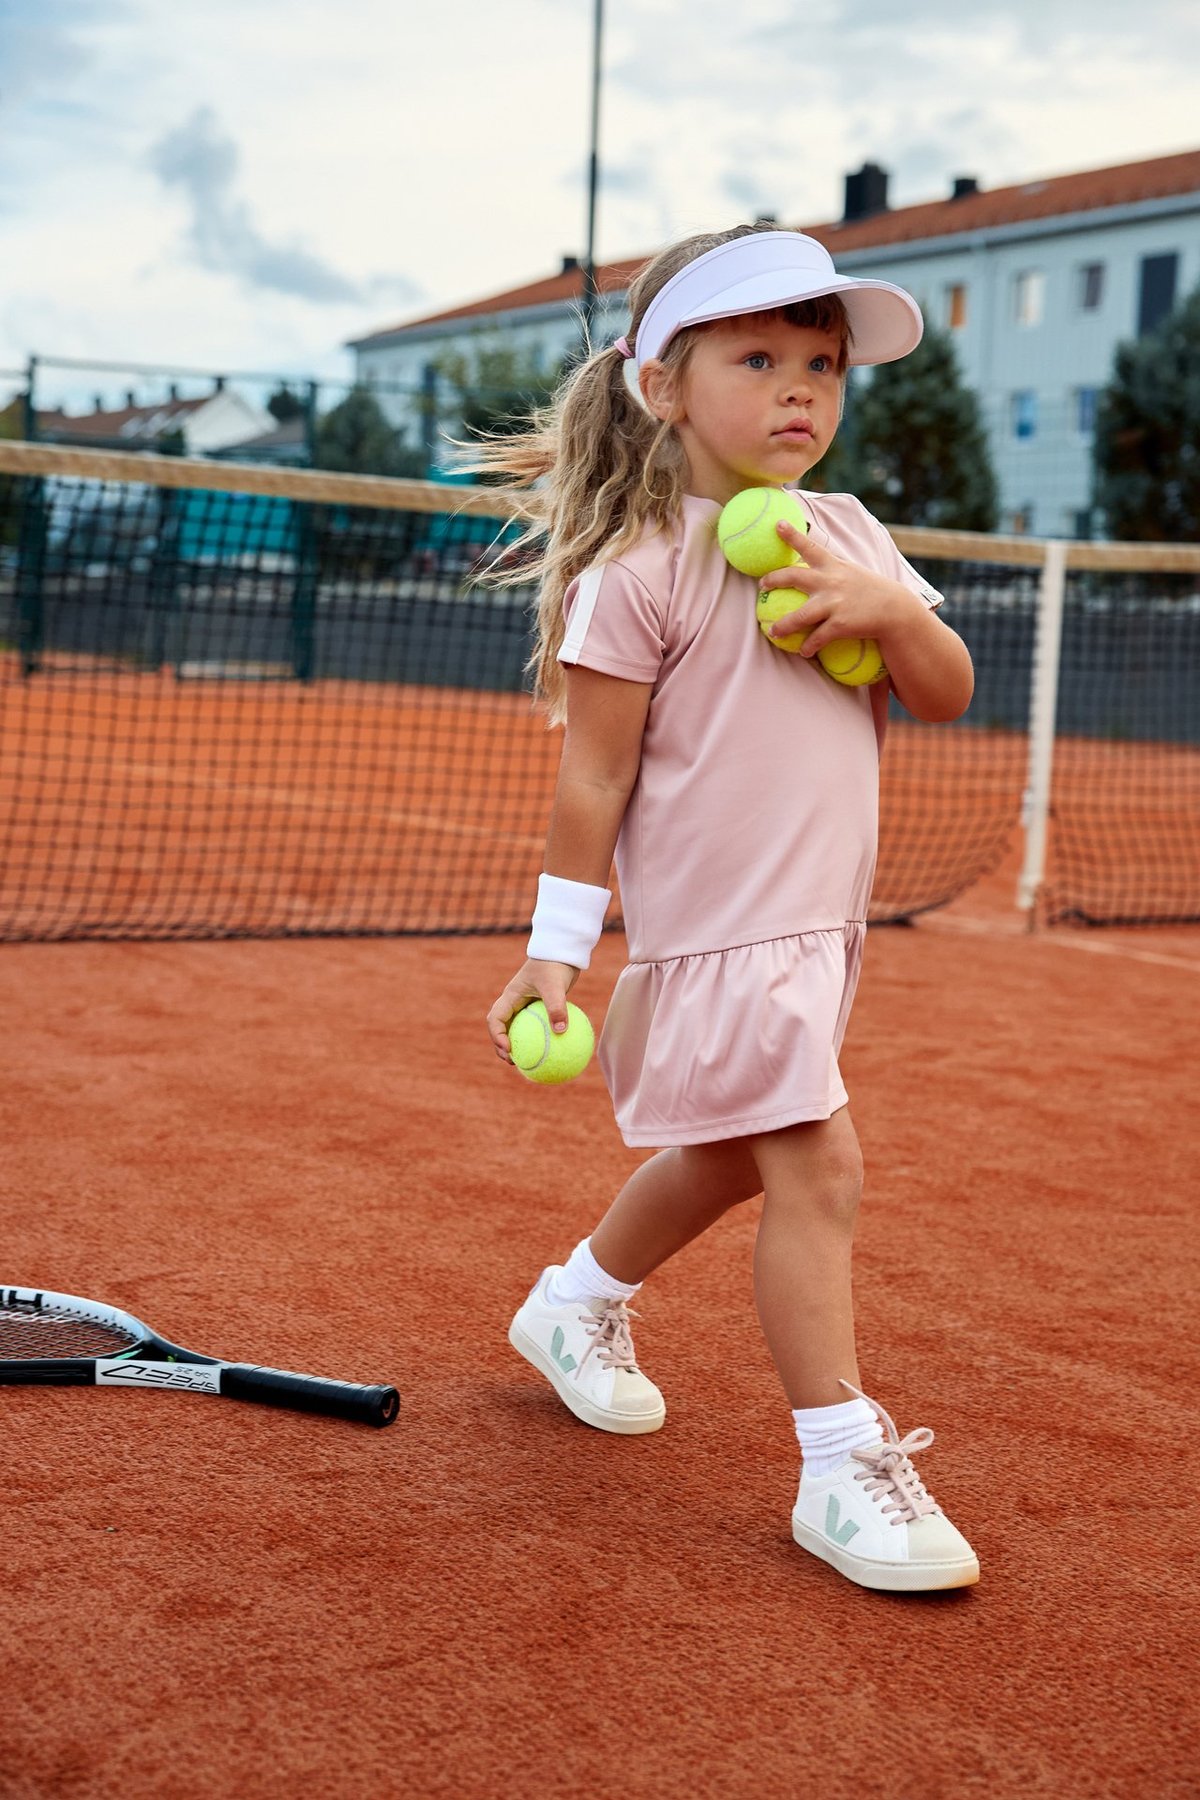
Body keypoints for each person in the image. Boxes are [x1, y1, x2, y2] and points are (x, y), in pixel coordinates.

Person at [482, 225, 979, 1594]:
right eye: (758, 357)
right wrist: (554, 961)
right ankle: (839, 1463)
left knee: (720, 1156)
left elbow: (942, 691)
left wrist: (889, 605)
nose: (801, 389)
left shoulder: (850, 535)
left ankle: (573, 1306)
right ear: (662, 385)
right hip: (719, 937)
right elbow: (595, 777)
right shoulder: (636, 570)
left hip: (821, 927)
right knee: (818, 1166)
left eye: (821, 363)